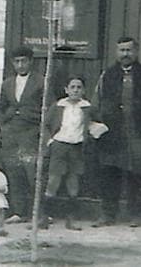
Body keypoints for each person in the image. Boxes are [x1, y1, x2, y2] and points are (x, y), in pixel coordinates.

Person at [93, 37, 141, 227]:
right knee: (109, 173)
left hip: (137, 132)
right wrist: (97, 125)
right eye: (122, 50)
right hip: (112, 132)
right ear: (117, 53)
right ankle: (108, 214)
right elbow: (97, 102)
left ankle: (136, 214)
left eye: (129, 50)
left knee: (137, 174)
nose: (125, 54)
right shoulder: (107, 75)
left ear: (136, 52)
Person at [0, 45, 44, 223]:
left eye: (24, 61)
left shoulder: (41, 81)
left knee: (32, 174)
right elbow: (1, 108)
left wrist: (35, 122)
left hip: (31, 133)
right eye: (17, 62)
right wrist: (4, 124)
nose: (20, 65)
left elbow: (49, 107)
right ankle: (19, 211)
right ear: (12, 63)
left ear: (30, 61)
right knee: (14, 172)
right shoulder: (8, 83)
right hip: (11, 134)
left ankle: (38, 214)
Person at [44, 74, 94, 231]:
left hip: (77, 147)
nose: (76, 90)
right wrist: (50, 141)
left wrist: (92, 133)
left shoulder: (87, 107)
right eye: (72, 87)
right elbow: (45, 125)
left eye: (79, 87)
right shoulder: (58, 106)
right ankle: (45, 217)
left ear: (84, 90)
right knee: (53, 180)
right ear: (66, 90)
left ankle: (70, 219)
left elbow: (95, 123)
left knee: (73, 182)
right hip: (59, 146)